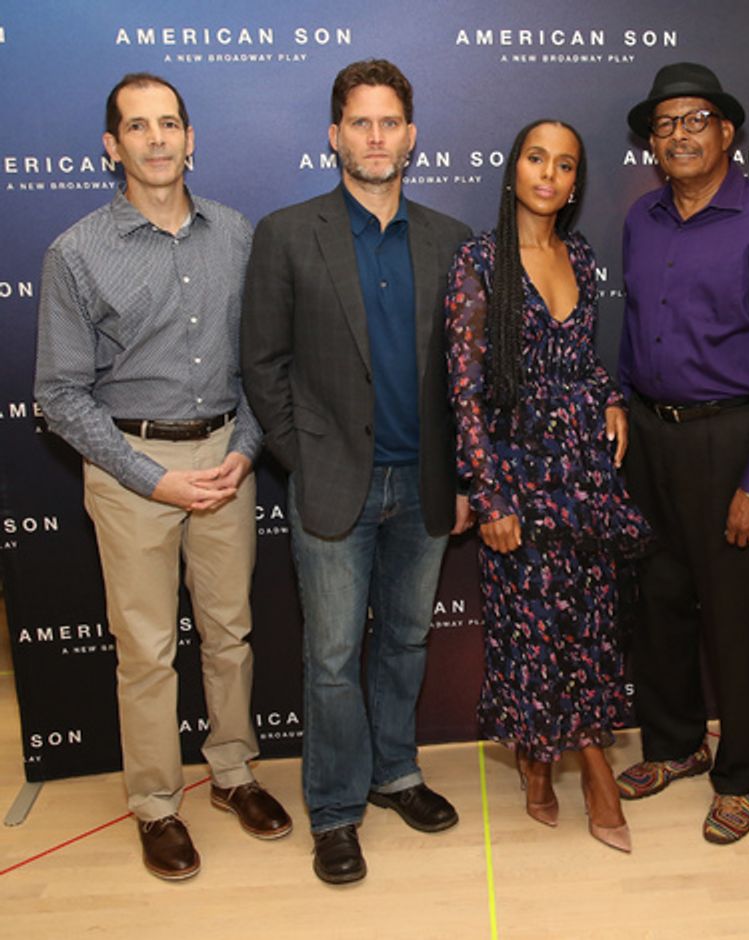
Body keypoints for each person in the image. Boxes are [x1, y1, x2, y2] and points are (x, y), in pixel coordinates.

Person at [34, 73, 291, 881]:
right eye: (138, 127)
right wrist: (151, 479)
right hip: (130, 468)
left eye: (169, 124)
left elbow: (263, 362)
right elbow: (58, 395)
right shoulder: (77, 252)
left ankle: (234, 773)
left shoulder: (237, 235)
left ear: (190, 139)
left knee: (229, 631)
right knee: (146, 650)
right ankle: (154, 805)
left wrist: (246, 449)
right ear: (112, 146)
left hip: (226, 459)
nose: (156, 140)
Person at [240, 59, 472, 885]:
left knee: (405, 639)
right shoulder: (286, 234)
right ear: (334, 135)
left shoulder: (451, 239)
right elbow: (263, 366)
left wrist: (468, 477)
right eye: (360, 123)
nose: (376, 137)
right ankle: (335, 810)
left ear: (412, 136)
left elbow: (470, 377)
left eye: (390, 123)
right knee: (334, 655)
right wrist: (307, 459)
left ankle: (394, 772)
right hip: (334, 483)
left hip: (426, 484)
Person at [616, 62, 749, 844]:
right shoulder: (642, 220)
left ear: (727, 131)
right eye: (664, 124)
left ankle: (738, 774)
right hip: (649, 437)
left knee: (731, 617)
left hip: (730, 438)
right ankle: (674, 745)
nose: (679, 134)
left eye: (695, 119)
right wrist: (621, 405)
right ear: (652, 143)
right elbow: (634, 331)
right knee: (657, 601)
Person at [446, 120, 651, 853]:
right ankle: (595, 774)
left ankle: (539, 765)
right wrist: (489, 495)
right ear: (514, 170)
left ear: (574, 184)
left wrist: (612, 398)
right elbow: (465, 392)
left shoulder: (581, 255)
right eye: (537, 158)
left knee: (588, 627)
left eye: (565, 165)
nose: (549, 174)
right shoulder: (479, 260)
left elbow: (581, 359)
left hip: (584, 476)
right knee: (534, 632)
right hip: (517, 477)